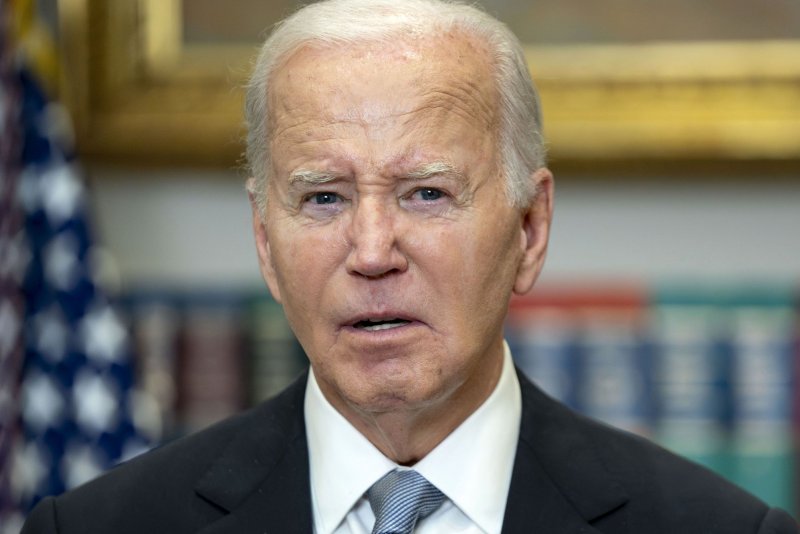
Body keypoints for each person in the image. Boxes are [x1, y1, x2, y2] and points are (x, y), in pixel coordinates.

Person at [21, 0, 798, 532]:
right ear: (265, 241)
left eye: (426, 193)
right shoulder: (96, 527)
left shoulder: (718, 529)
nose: (370, 252)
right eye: (323, 198)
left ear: (529, 230)